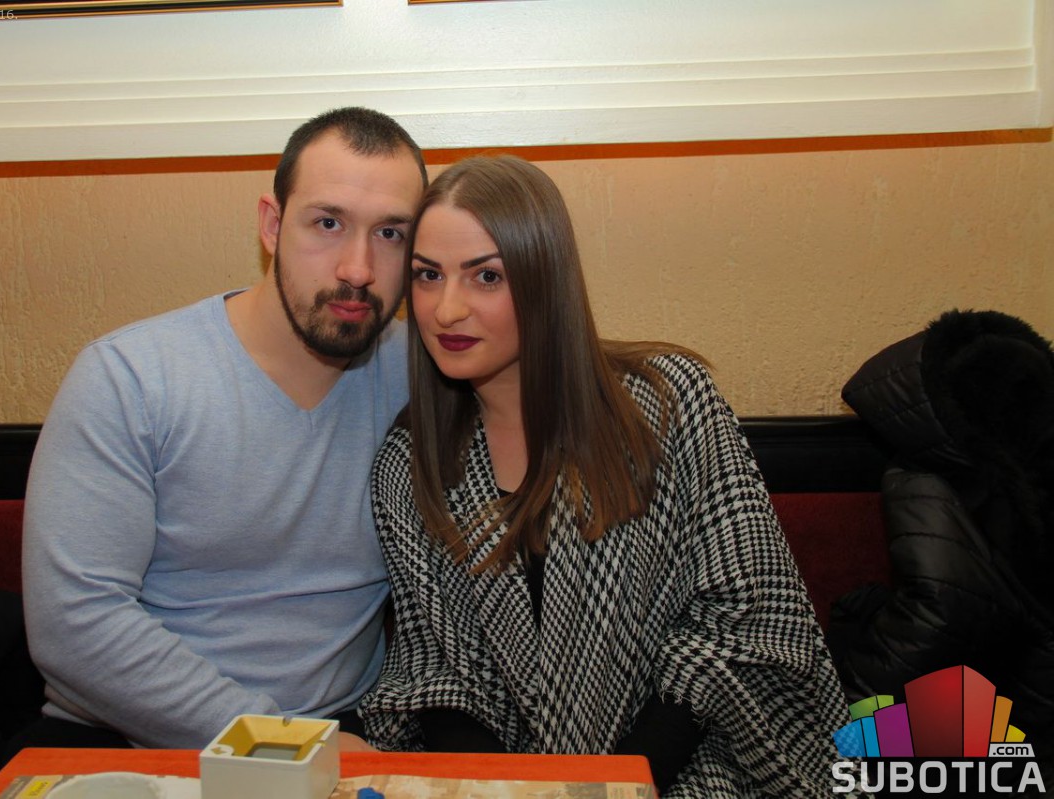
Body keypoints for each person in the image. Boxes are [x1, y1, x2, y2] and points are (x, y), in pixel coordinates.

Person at [358, 155, 849, 796]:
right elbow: (437, 673)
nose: (446, 309)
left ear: (545, 279)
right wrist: (516, 792)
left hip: (692, 771)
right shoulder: (410, 463)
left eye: (487, 276)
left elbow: (745, 622)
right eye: (428, 275)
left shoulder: (667, 404)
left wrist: (617, 785)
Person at [19, 107, 427, 751]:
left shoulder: (424, 378)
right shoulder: (132, 378)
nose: (357, 268)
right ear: (272, 225)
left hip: (351, 734)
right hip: (129, 742)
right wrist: (283, 743)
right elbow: (74, 625)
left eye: (390, 234)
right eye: (327, 223)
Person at [828, 309, 1054, 786]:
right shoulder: (950, 482)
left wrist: (841, 730)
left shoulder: (939, 479)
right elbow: (944, 610)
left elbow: (942, 611)